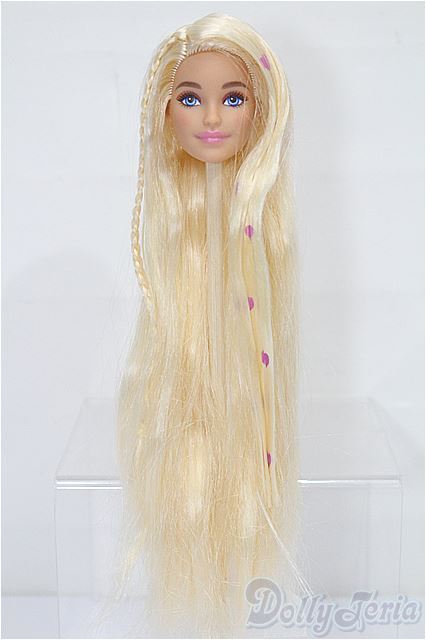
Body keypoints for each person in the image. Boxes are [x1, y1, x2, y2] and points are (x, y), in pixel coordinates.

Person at [114, 12, 311, 638]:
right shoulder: (174, 246)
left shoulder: (262, 241)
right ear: (163, 110)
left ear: (260, 110)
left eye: (233, 98)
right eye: (190, 98)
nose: (211, 119)